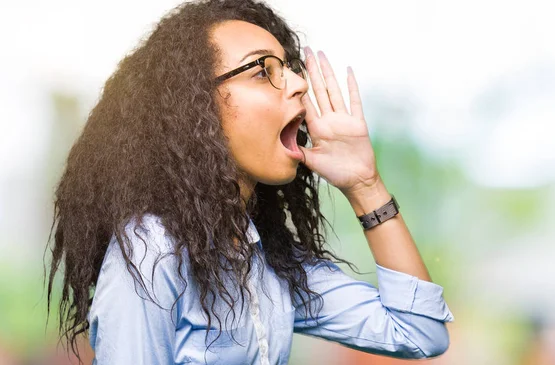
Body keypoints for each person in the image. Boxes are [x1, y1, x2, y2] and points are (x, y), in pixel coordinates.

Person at [45, 0, 455, 364]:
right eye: (263, 71)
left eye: (290, 69)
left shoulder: (268, 260)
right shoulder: (152, 249)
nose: (299, 83)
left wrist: (365, 186)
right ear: (195, 108)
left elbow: (419, 333)